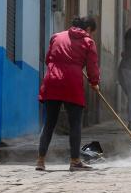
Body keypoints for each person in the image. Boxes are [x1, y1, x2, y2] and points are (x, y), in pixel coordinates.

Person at [37, 17, 100, 171]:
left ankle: (40, 161)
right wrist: (94, 82)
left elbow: (48, 59)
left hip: (52, 80)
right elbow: (92, 66)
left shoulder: (56, 37)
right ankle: (75, 160)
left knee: (49, 124)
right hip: (72, 83)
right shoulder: (88, 42)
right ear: (89, 29)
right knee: (75, 124)